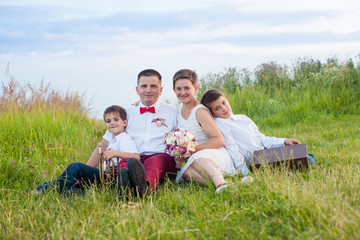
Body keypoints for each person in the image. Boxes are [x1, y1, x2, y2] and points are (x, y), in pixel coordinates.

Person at [87, 69, 177, 198]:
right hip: (132, 157)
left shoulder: (172, 111)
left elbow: (183, 135)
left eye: (153, 86)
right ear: (137, 89)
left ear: (161, 90)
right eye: (144, 86)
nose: (148, 90)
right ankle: (125, 188)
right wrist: (87, 169)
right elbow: (105, 143)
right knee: (125, 163)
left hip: (159, 156)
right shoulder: (125, 113)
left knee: (157, 161)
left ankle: (143, 188)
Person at [172, 69, 252, 194]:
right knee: (187, 173)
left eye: (187, 88)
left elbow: (219, 140)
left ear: (195, 88)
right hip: (195, 156)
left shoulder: (200, 111)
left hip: (215, 153)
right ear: (174, 90)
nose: (183, 92)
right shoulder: (178, 110)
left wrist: (192, 149)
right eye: (179, 89)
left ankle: (221, 184)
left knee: (198, 159)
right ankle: (232, 184)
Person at [32, 105, 139, 194]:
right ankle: (76, 191)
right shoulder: (113, 139)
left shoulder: (124, 138)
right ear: (106, 124)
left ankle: (45, 190)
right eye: (108, 121)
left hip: (111, 178)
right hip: (104, 175)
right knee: (72, 174)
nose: (112, 123)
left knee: (76, 166)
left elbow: (135, 157)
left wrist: (115, 153)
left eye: (116, 119)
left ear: (124, 123)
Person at [200, 89, 315, 168]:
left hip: (266, 152)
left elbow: (262, 138)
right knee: (308, 159)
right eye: (217, 108)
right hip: (256, 159)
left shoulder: (243, 118)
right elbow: (232, 148)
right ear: (213, 114)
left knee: (303, 153)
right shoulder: (221, 123)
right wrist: (244, 172)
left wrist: (283, 141)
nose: (224, 108)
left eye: (224, 103)